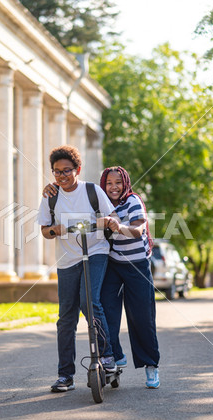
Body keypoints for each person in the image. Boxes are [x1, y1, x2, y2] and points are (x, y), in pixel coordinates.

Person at [38, 145, 117, 393]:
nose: (62, 176)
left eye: (67, 171)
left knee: (89, 302)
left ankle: (107, 357)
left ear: (77, 170)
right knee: (66, 318)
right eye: (57, 172)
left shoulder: (92, 191)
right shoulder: (50, 197)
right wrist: (56, 230)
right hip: (67, 259)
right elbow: (44, 231)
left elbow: (112, 218)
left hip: (94, 251)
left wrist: (107, 222)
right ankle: (65, 376)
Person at [98, 166, 160, 389]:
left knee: (141, 316)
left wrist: (118, 226)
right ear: (103, 185)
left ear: (125, 184)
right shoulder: (102, 202)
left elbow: (138, 230)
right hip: (113, 264)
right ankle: (115, 355)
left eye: (118, 183)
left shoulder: (133, 201)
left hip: (137, 265)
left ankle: (151, 366)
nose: (113, 187)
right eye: (109, 183)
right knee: (106, 311)